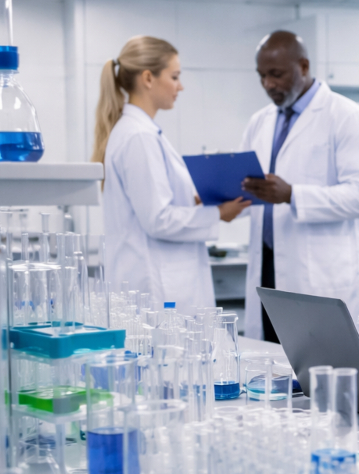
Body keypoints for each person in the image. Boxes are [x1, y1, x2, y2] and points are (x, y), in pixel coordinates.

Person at [238, 31, 359, 341]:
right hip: (268, 270)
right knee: (270, 371)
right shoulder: (259, 123)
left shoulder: (345, 116)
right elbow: (250, 191)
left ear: (303, 66)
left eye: (276, 74)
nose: (267, 85)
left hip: (320, 276)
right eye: (261, 76)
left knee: (323, 374)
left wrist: (293, 195)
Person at [95, 36, 250, 311]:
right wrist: (218, 214)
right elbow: (158, 219)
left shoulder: (142, 133)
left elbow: (152, 204)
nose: (181, 86)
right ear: (148, 78)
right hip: (155, 289)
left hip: (158, 283)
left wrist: (193, 200)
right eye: (175, 76)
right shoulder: (139, 137)